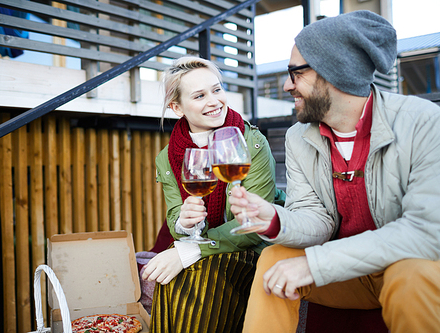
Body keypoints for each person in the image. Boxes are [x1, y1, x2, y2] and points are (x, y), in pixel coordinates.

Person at [229, 10, 440, 333]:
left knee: (408, 274)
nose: (287, 85)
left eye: (295, 73)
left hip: (409, 269)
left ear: (334, 71)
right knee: (274, 257)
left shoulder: (423, 122)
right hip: (349, 277)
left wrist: (314, 265)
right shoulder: (298, 137)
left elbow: (425, 232)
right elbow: (316, 218)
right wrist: (273, 218)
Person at [141, 55, 285, 333]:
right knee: (169, 278)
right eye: (199, 95)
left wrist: (191, 249)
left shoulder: (250, 142)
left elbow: (255, 225)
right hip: (208, 242)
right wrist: (183, 222)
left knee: (200, 272)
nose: (214, 101)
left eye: (216, 89)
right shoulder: (167, 157)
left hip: (252, 248)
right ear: (176, 107)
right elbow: (174, 217)